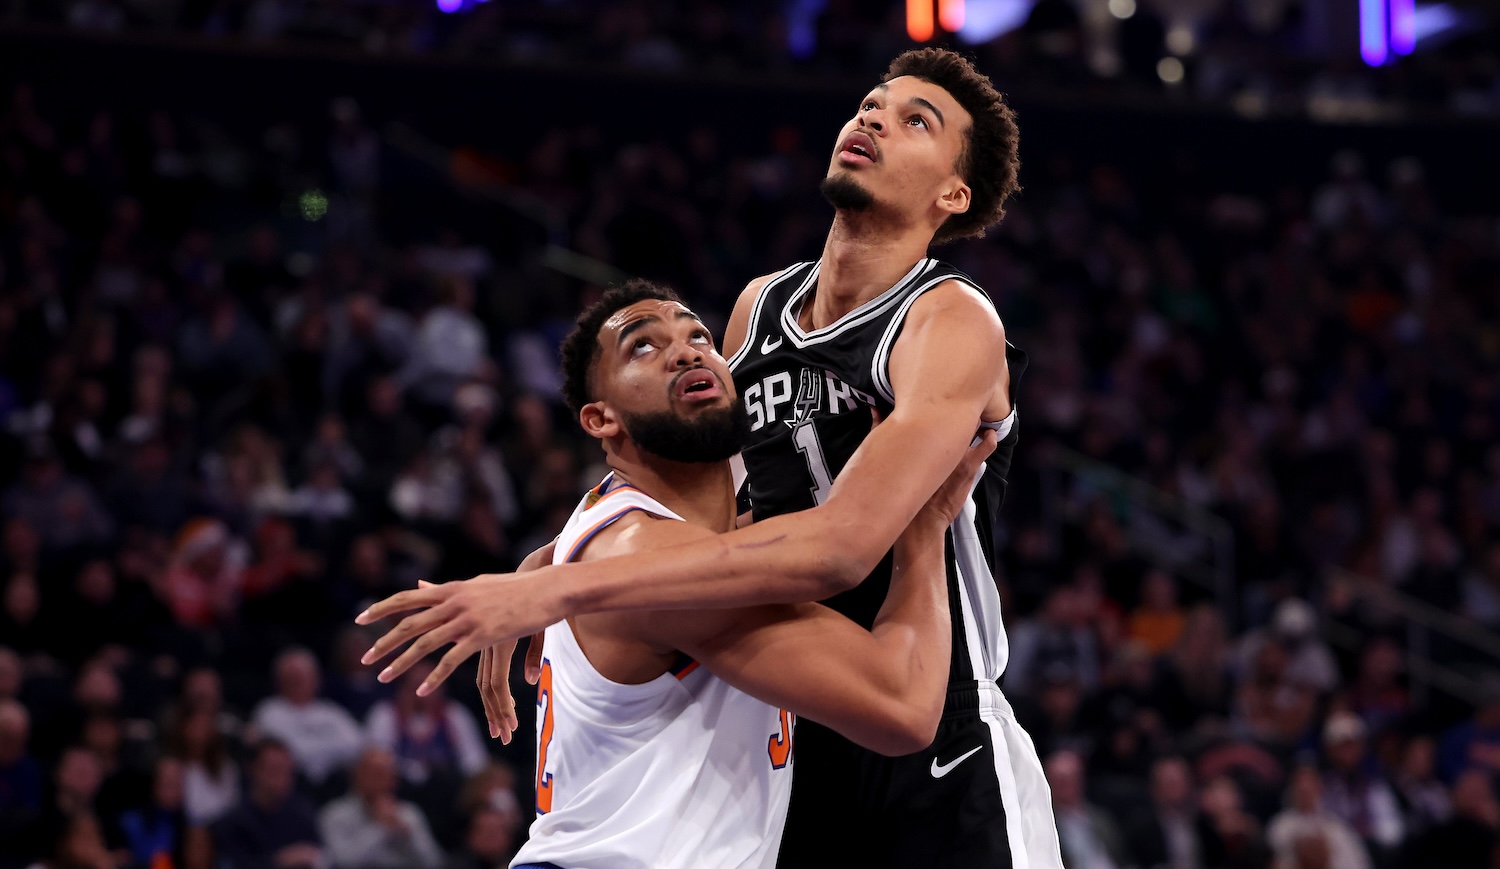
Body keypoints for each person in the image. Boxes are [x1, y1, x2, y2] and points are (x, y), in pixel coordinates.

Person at [359, 48, 1058, 869]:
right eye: (872, 102)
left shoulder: (949, 319)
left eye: (915, 120)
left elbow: (839, 546)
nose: (873, 117)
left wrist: (551, 588)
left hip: (937, 734)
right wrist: (552, 554)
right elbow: (707, 507)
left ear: (954, 193)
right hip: (796, 719)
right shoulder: (758, 307)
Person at [496, 282, 989, 868]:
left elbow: (775, 524)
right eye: (643, 349)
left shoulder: (654, 536)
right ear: (601, 419)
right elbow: (903, 707)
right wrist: (924, 525)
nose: (687, 351)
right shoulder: (646, 554)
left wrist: (538, 567)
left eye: (698, 335)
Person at [317, 746, 445, 869]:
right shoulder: (334, 814)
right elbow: (343, 862)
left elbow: (434, 862)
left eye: (386, 774)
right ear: (356, 776)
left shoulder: (408, 812)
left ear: (395, 780)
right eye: (374, 774)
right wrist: (381, 829)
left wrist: (408, 836)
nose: (380, 780)